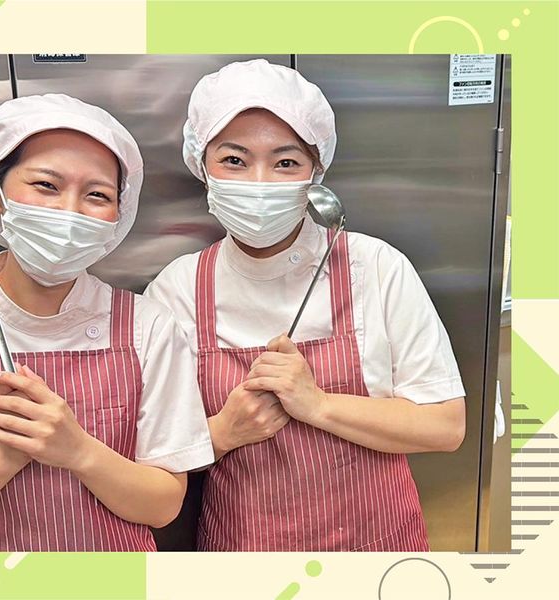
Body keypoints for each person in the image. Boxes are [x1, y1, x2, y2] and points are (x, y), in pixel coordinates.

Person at [0, 94, 213, 552]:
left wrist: (77, 450)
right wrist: (9, 453)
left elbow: (163, 505)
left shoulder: (149, 327)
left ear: (118, 214)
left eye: (97, 195)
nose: (69, 211)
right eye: (46, 185)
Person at [145, 59, 466, 552]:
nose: (259, 182)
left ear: (316, 172)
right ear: (201, 166)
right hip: (247, 552)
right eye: (234, 160)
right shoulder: (177, 289)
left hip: (376, 548)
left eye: (286, 162)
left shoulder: (374, 266)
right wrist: (224, 433)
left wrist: (318, 404)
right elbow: (151, 458)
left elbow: (445, 426)